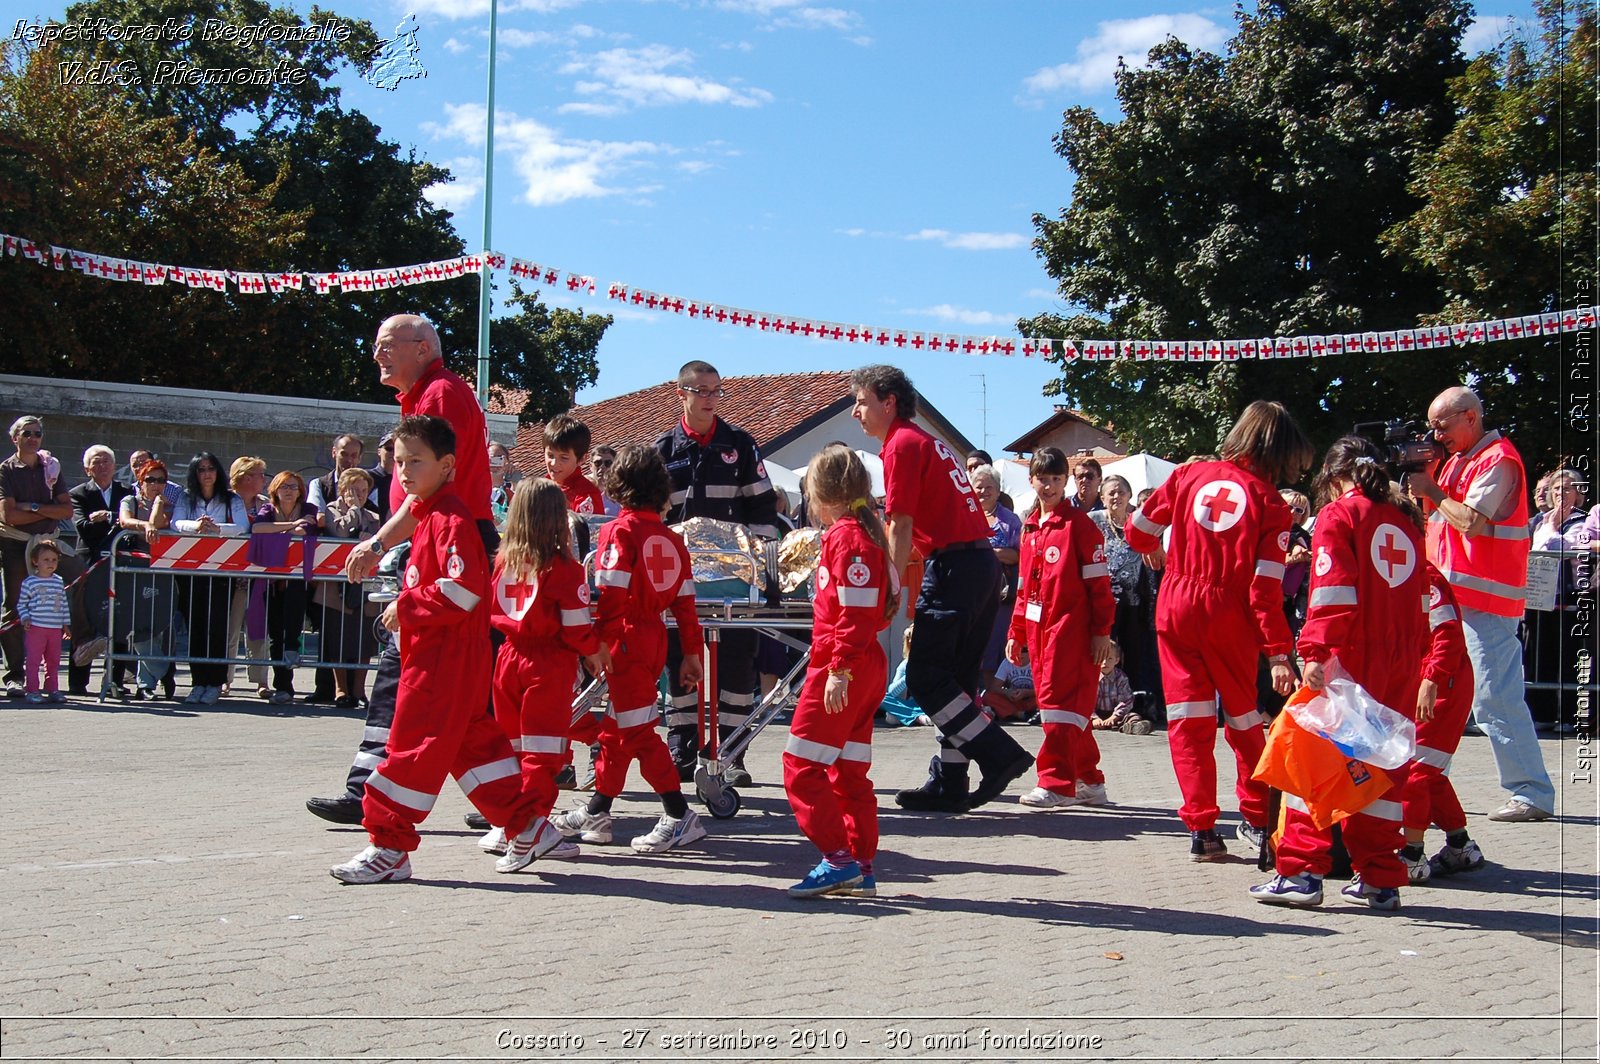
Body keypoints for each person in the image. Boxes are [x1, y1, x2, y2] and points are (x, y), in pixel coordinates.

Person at [330, 415, 547, 883]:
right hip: (448, 658)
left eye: (416, 462)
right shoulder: (432, 514)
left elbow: (465, 588)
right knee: (471, 745)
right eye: (400, 461)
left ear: (447, 465)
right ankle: (528, 824)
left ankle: (388, 845)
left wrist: (404, 607)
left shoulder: (449, 519)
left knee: (412, 748)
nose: (404, 471)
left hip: (441, 661)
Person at [310, 313, 498, 826]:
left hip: (447, 541)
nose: (376, 354)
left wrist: (377, 542)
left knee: (422, 677)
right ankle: (511, 806)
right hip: (438, 539)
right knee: (443, 686)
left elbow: (430, 489)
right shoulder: (430, 395)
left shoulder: (439, 395)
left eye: (387, 345)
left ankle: (376, 798)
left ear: (422, 348)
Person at [1126, 400, 1313, 861]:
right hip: (1229, 616)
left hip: (1174, 606)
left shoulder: (1190, 475)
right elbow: (1265, 591)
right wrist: (1277, 653)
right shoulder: (1272, 506)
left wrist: (1156, 550)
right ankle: (1260, 819)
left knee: (1188, 725)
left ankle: (1202, 831)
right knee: (1246, 722)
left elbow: (1137, 530)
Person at [1250, 437, 1427, 910]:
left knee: (1303, 755)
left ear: (1330, 478)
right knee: (1381, 766)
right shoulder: (1407, 518)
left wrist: (1312, 652)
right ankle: (1380, 877)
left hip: (1350, 656)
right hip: (1403, 657)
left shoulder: (1338, 515)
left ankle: (1301, 872)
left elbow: (1333, 594)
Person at [850, 365, 1034, 813]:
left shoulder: (901, 445)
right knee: (956, 683)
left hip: (955, 568)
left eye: (861, 401)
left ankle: (998, 754)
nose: (856, 412)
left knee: (925, 678)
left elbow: (902, 523)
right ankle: (950, 779)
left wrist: (891, 587)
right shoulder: (928, 442)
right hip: (977, 567)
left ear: (888, 401)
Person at [550, 445, 709, 854]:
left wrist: (595, 642)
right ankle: (599, 809)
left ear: (618, 486)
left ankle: (678, 814)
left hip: (624, 638)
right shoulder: (673, 539)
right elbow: (686, 604)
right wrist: (691, 653)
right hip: (654, 636)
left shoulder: (618, 531)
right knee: (618, 730)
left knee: (635, 732)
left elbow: (611, 595)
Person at [1406, 386, 1555, 822]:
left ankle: (1531, 792)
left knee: (1495, 697)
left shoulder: (1498, 459)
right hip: (1451, 600)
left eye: (1442, 425)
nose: (1436, 434)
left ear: (1470, 417)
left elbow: (1471, 521)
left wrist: (1431, 487)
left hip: (1486, 601)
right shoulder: (1459, 460)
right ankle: (1429, 787)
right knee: (1436, 700)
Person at [655, 360, 781, 786]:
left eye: (716, 391)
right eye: (702, 391)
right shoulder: (664, 450)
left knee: (736, 664)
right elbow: (651, 514)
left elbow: (764, 510)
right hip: (681, 579)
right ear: (682, 394)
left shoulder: (740, 445)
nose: (710, 399)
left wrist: (753, 559)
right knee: (680, 659)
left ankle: (732, 751)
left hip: (733, 580)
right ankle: (682, 744)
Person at [781, 444, 896, 897]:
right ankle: (860, 863)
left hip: (842, 665)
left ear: (821, 492)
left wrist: (838, 670)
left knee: (800, 765)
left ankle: (837, 858)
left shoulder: (848, 538)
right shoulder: (862, 534)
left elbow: (854, 614)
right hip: (861, 664)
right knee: (848, 771)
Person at [479, 477, 609, 863]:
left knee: (514, 749)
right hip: (547, 664)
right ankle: (531, 831)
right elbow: (576, 628)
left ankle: (509, 825)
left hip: (507, 659)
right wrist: (594, 650)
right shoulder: (565, 569)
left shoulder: (503, 561)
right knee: (544, 753)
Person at [1006, 446, 1116, 809]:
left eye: (1056, 479)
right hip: (1039, 632)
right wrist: (1016, 632)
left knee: (1057, 705)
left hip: (1071, 631)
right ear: (1031, 479)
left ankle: (1056, 783)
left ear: (1065, 481)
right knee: (1069, 710)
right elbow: (1024, 586)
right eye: (1043, 479)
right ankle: (1090, 780)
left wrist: (1102, 633)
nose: (1049, 486)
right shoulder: (1030, 528)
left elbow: (1100, 587)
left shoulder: (1079, 526)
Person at [1394, 494, 1486, 882]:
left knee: (1416, 771)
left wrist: (1430, 679)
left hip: (1440, 684)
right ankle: (1461, 845)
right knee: (1428, 770)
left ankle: (1412, 856)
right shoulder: (1399, 572)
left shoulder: (1424, 577)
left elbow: (1447, 635)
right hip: (1422, 682)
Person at [1, 417, 84, 699]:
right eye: (28, 433)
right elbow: (9, 516)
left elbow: (66, 511)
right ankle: (15, 675)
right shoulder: (6, 470)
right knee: (14, 604)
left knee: (83, 577)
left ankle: (84, 641)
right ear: (15, 438)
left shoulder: (51, 466)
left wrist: (33, 507)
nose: (34, 438)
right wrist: (48, 509)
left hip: (49, 543)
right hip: (16, 543)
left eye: (38, 433)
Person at [171, 451, 246, 705]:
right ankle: (197, 681)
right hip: (192, 570)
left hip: (220, 570)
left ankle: (215, 682)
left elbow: (242, 526)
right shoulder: (186, 496)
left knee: (217, 627)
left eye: (210, 469)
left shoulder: (231, 498)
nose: (206, 474)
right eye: (201, 469)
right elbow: (176, 522)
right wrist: (196, 526)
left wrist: (217, 529)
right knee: (196, 628)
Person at [1092, 474, 1161, 715]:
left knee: (1134, 653)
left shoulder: (1138, 524)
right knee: (1102, 653)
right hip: (1102, 601)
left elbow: (1155, 558)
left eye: (1121, 491)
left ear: (1130, 496)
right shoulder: (1093, 522)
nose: (1116, 496)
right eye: (1110, 492)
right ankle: (1098, 704)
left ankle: (1134, 705)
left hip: (1134, 600)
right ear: (1101, 497)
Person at [248, 472, 318, 703]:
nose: (289, 490)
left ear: (300, 491)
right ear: (275, 490)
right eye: (284, 486)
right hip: (272, 580)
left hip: (298, 579)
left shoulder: (308, 507)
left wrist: (279, 530)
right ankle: (283, 687)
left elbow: (305, 530)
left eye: (294, 486)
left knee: (293, 629)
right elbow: (258, 529)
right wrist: (290, 526)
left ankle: (289, 675)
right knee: (275, 633)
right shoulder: (268, 509)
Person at [70, 444, 134, 693]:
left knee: (118, 620)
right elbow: (83, 528)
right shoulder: (79, 493)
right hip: (88, 563)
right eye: (97, 462)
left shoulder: (126, 492)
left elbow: (128, 527)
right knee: (84, 621)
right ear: (87, 468)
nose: (103, 466)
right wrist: (114, 520)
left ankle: (115, 681)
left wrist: (107, 517)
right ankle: (78, 682)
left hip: (119, 562)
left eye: (107, 461)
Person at [317, 468, 381, 708]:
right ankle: (340, 689)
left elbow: (375, 542)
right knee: (338, 636)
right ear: (343, 491)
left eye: (364, 491)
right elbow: (341, 531)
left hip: (364, 587)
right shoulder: (332, 510)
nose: (360, 495)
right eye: (354, 490)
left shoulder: (373, 517)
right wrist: (353, 510)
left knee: (364, 637)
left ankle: (359, 689)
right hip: (336, 587)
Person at [118, 460, 175, 700]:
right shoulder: (130, 500)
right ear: (140, 481)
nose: (156, 484)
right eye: (150, 480)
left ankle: (146, 684)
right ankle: (160, 673)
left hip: (161, 570)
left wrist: (158, 504)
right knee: (139, 627)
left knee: (159, 626)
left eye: (161, 480)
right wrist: (145, 524)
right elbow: (125, 521)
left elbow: (160, 524)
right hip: (135, 569)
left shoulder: (168, 504)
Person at [968, 464, 1021, 698]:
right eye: (979, 487)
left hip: (1000, 597)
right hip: (970, 594)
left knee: (994, 647)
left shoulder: (1010, 521)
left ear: (999, 491)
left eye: (989, 487)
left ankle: (993, 698)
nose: (984, 492)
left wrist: (991, 552)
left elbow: (1018, 555)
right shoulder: (964, 516)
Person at [224, 457, 271, 699]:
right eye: (259, 475)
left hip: (258, 577)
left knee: (258, 631)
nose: (264, 480)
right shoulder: (226, 502)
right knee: (229, 630)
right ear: (245, 477)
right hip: (230, 578)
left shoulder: (265, 504)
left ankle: (261, 679)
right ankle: (225, 678)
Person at [18, 537, 71, 703]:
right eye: (46, 560)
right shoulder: (30, 582)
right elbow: (21, 604)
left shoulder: (58, 581)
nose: (51, 563)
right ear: (35, 562)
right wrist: (25, 618)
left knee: (53, 660)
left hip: (54, 629)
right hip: (36, 628)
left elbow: (63, 604)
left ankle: (53, 689)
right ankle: (32, 690)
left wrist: (65, 625)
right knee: (34, 660)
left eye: (54, 560)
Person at [543, 415, 605, 516]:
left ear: (581, 459)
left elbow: (588, 530)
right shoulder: (540, 488)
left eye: (564, 458)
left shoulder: (586, 495)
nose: (554, 463)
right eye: (550, 455)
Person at [1091, 641, 1150, 734]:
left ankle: (1132, 727)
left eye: (1109, 658)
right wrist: (1094, 718)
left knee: (1133, 716)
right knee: (1081, 718)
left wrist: (1114, 717)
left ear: (1116, 660)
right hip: (1096, 713)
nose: (1104, 662)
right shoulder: (1091, 677)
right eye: (1101, 658)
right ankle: (1095, 724)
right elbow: (1086, 700)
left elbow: (1126, 700)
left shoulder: (1121, 678)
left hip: (1116, 714)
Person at [307, 434, 366, 526]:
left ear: (359, 458)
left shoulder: (370, 486)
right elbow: (317, 519)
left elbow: (374, 520)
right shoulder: (318, 484)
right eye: (344, 454)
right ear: (334, 453)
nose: (349, 460)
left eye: (354, 455)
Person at [369, 433, 396, 522]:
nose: (393, 453)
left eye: (397, 449)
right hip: (370, 531)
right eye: (389, 449)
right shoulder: (366, 477)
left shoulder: (406, 480)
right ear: (379, 451)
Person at [489, 441, 520, 514]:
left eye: (500, 458)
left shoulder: (511, 489)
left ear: (507, 462)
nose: (496, 462)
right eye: (492, 458)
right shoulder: (475, 488)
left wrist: (515, 480)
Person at [590, 444, 622, 516]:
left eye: (608, 463)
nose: (602, 467)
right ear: (590, 466)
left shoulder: (621, 496)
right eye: (598, 463)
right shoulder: (581, 492)